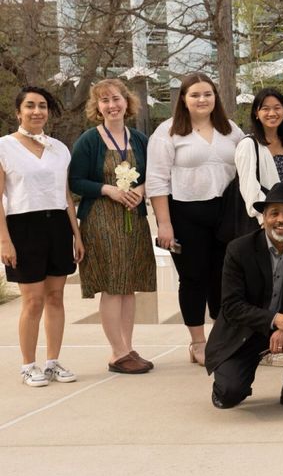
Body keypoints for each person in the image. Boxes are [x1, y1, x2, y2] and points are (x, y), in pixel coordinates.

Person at [205, 183, 283, 412]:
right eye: (274, 213)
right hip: (242, 333)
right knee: (230, 394)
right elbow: (232, 306)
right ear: (264, 217)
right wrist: (275, 320)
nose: (281, 219)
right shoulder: (239, 249)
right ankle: (233, 383)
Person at [147, 72, 244, 366]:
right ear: (183, 99)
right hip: (185, 214)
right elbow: (156, 181)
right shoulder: (168, 132)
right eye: (195, 95)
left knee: (223, 278)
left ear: (216, 97)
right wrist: (164, 224)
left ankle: (222, 338)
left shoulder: (231, 130)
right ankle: (198, 343)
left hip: (225, 215)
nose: (202, 99)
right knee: (193, 278)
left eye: (207, 94)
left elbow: (248, 166)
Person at [69, 79, 156, 374]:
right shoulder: (89, 140)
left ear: (126, 101)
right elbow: (75, 181)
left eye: (116, 98)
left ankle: (128, 347)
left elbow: (154, 174)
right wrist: (108, 190)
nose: (112, 105)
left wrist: (140, 190)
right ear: (98, 107)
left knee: (128, 286)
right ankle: (117, 352)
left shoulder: (140, 139)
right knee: (113, 285)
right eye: (104, 100)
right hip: (102, 219)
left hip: (134, 219)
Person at [3, 87, 83, 387]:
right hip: (23, 227)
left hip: (58, 226)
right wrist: (4, 240)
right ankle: (28, 365)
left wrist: (76, 235)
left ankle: (52, 362)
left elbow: (66, 195)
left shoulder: (59, 148)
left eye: (42, 106)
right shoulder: (4, 147)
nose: (37, 111)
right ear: (18, 112)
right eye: (30, 106)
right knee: (33, 301)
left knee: (56, 297)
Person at [237, 88, 283, 233]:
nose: (272, 113)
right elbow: (248, 185)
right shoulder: (248, 144)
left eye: (277, 108)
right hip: (261, 219)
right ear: (256, 113)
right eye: (265, 109)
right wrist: (263, 217)